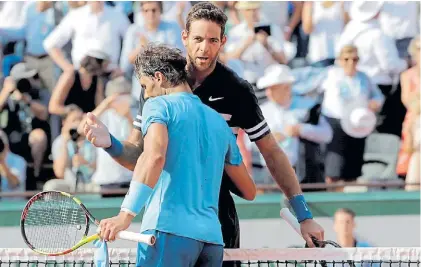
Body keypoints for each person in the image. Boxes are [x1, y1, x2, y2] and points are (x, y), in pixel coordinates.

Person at [85, 2, 324, 260]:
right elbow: (141, 157)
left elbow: (272, 153)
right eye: (198, 39)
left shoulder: (236, 90)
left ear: (223, 42)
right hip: (197, 227)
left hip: (210, 222)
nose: (204, 48)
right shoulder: (158, 86)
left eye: (212, 40)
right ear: (184, 37)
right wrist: (110, 142)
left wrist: (304, 216)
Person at [94, 44, 256, 266]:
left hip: (168, 233)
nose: (146, 93)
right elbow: (249, 190)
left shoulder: (157, 105)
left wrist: (125, 216)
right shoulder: (218, 121)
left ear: (158, 77)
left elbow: (154, 157)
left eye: (145, 86)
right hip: (211, 242)